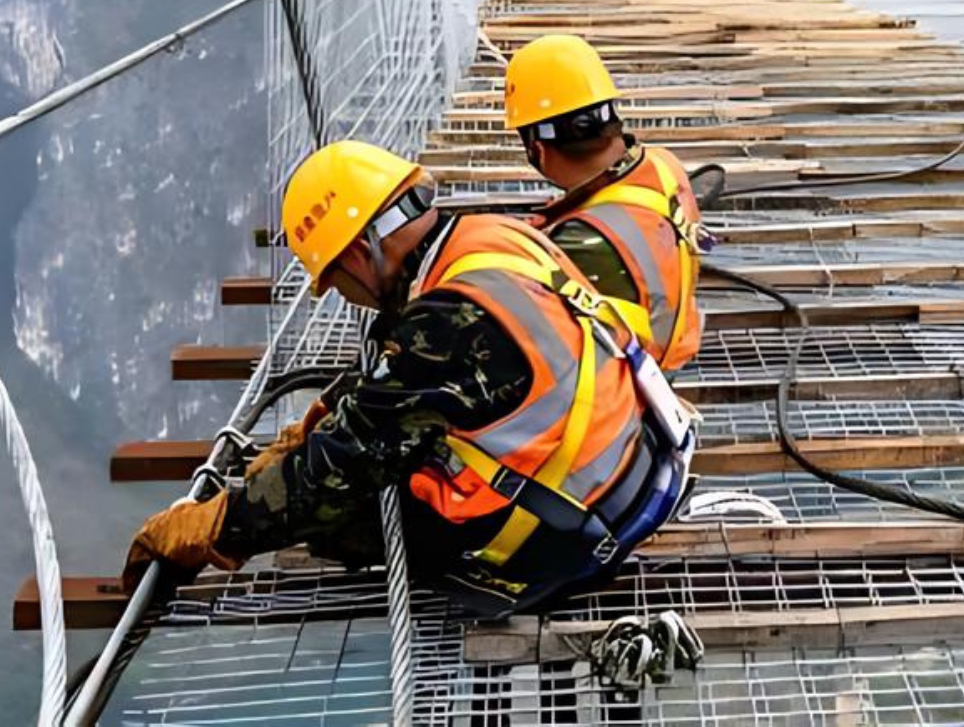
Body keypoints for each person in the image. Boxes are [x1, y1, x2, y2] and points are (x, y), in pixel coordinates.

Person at [125, 140, 689, 615]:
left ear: (357, 253)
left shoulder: (445, 325)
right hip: (628, 473)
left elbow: (331, 476)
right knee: (364, 450)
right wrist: (314, 427)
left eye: (335, 281)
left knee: (339, 506)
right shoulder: (488, 238)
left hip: (561, 541)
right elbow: (409, 379)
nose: (347, 298)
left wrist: (213, 528)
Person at [505, 34, 709, 371]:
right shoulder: (661, 163)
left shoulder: (580, 242)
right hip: (675, 335)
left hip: (633, 385)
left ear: (537, 149)